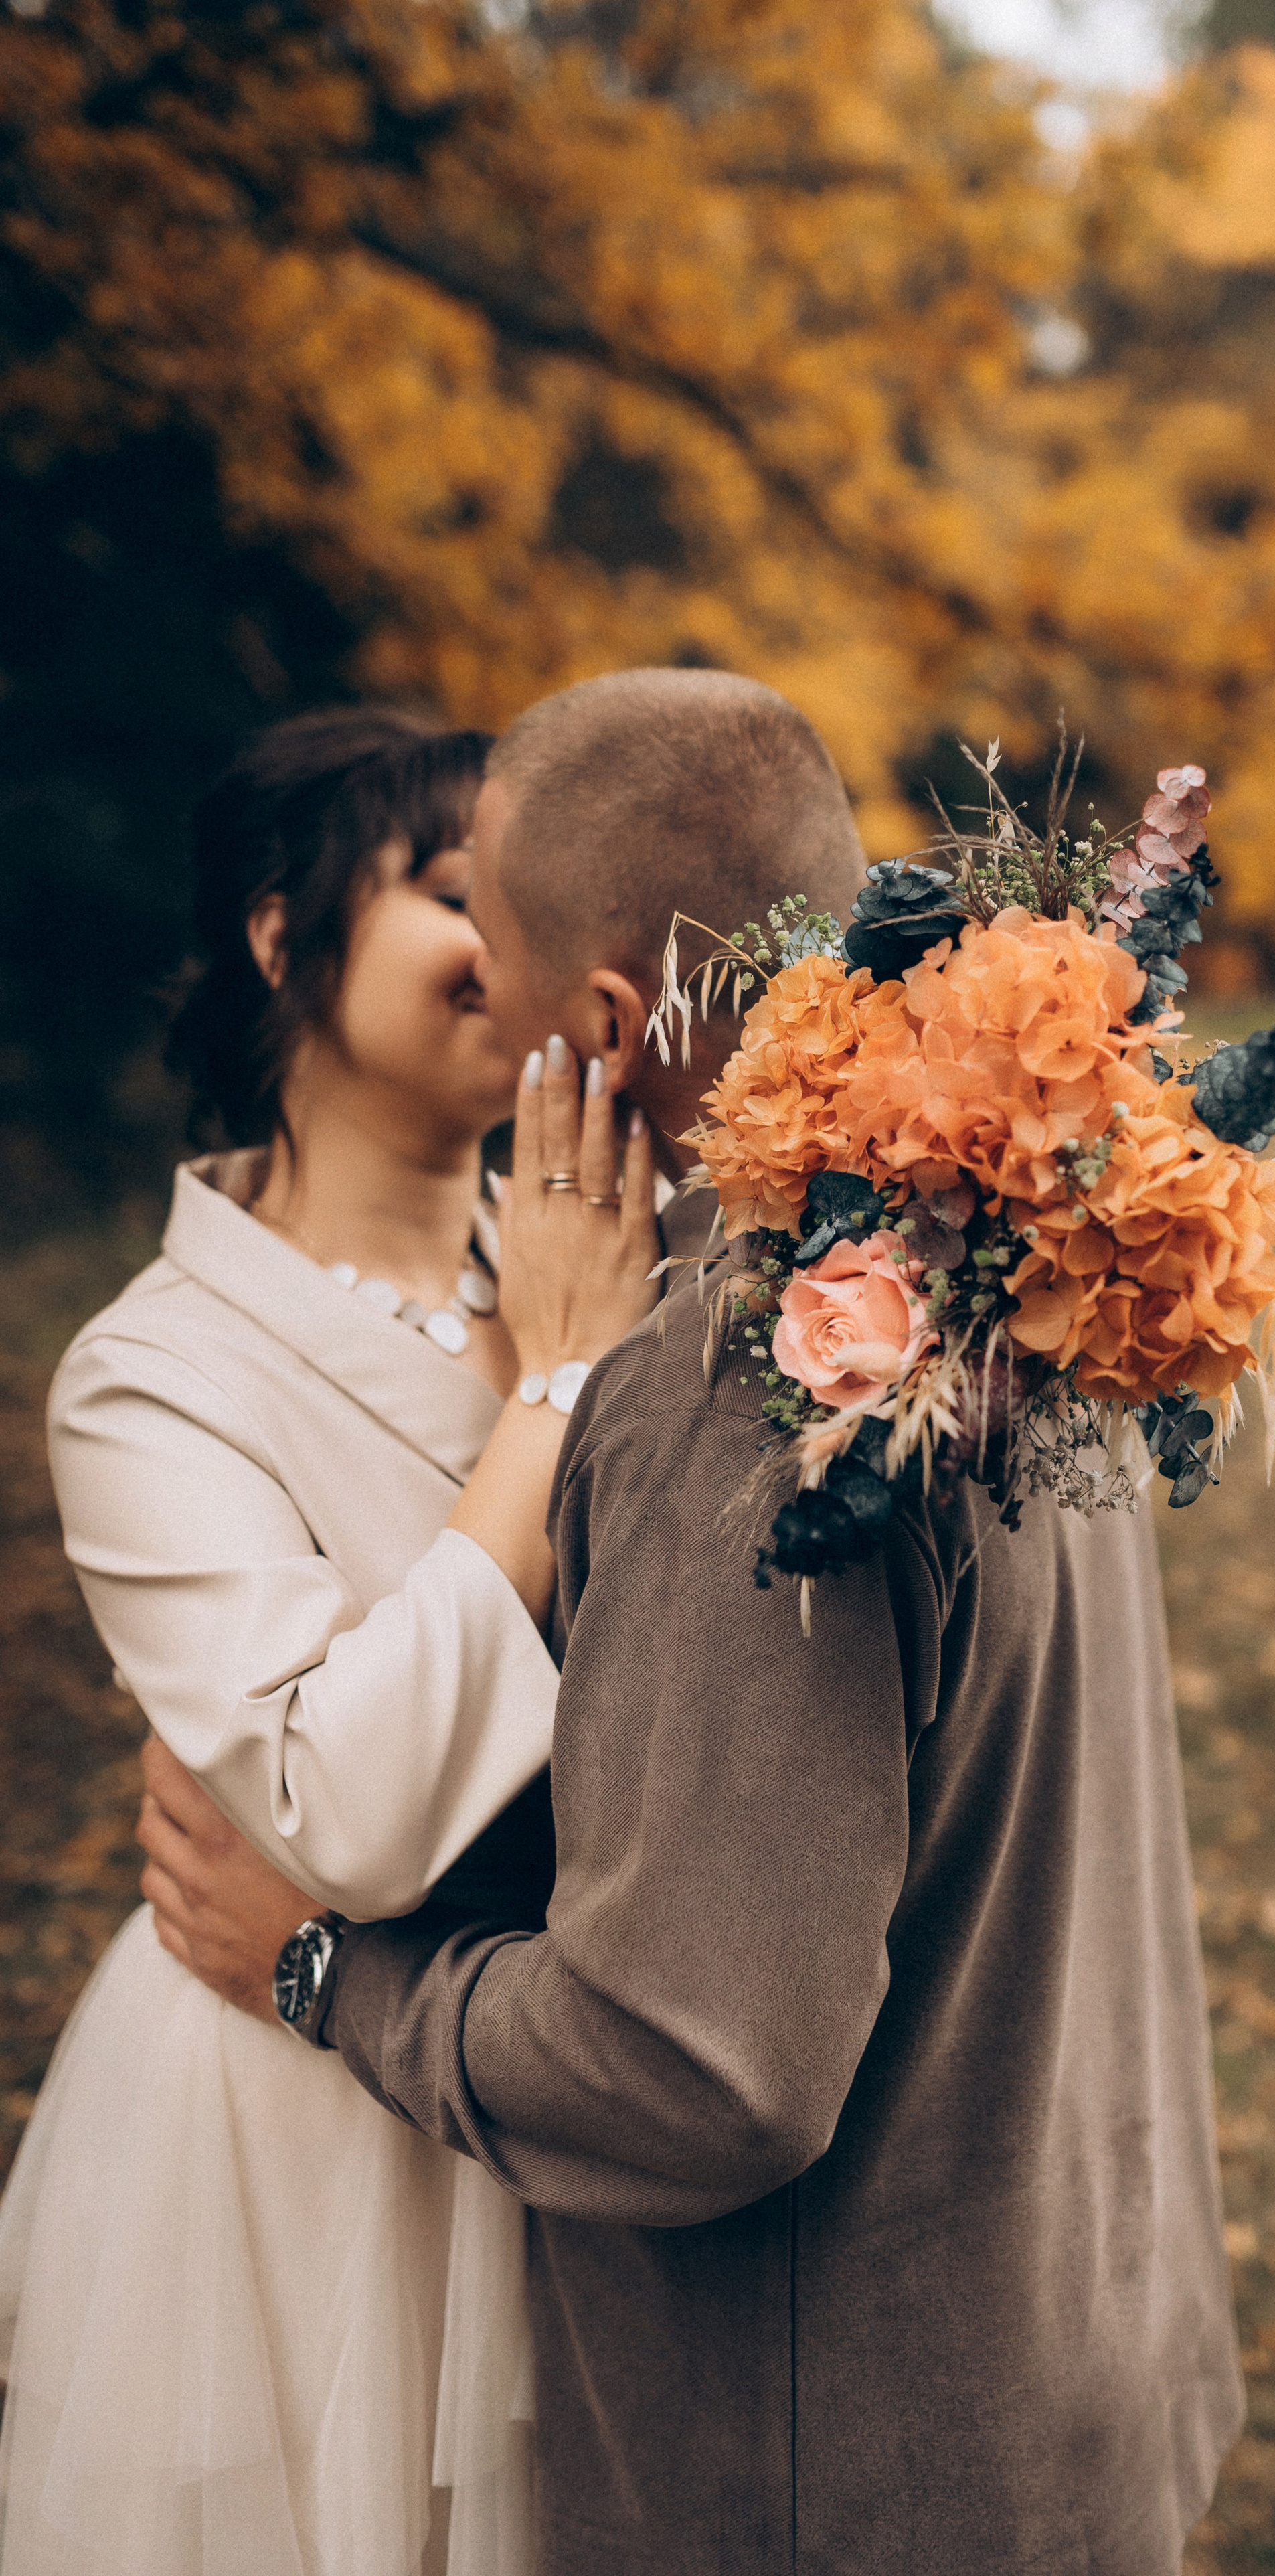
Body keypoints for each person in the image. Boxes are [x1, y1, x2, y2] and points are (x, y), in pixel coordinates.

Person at [144, 668, 1246, 2575]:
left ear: (598, 1021)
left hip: (854, 2481)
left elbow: (699, 2070)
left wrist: (328, 1974)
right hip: (1078, 2364)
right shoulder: (1017, 1237)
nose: (468, 980)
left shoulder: (755, 1380)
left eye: (485, 934)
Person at [0, 709, 663, 2576]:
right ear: (283, 942)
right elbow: (343, 1812)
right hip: (291, 2136)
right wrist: (563, 1388)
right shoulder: (152, 1379)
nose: (513, 944)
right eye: (458, 895)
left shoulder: (614, 1256)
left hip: (577, 2086)